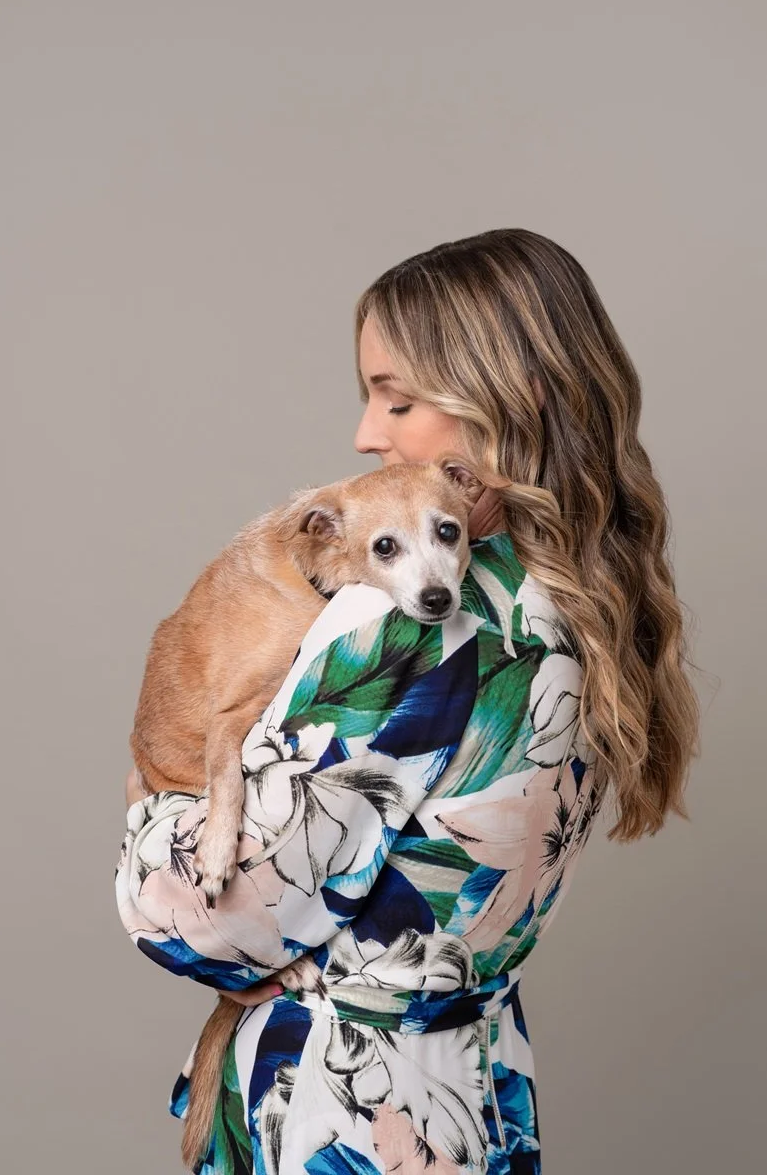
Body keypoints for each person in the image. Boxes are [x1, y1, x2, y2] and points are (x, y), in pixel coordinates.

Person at [116, 227, 701, 1174]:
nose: (366, 433)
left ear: (512, 396)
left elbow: (205, 922)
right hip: (471, 1092)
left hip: (340, 1108)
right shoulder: (592, 609)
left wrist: (148, 820)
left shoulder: (403, 626)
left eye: (399, 397)